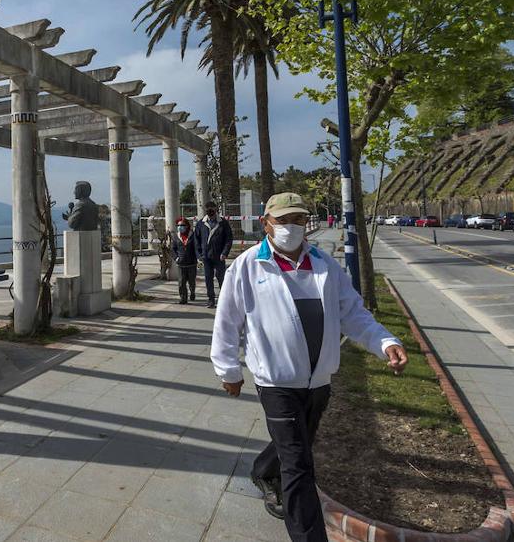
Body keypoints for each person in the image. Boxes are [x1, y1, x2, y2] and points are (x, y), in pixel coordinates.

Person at [210, 192, 408, 542]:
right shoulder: (246, 266)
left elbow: (353, 314)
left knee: (299, 440)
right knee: (299, 464)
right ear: (265, 223)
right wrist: (229, 370)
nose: (291, 227)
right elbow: (227, 323)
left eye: (298, 220)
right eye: (283, 220)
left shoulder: (325, 265)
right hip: (276, 381)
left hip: (319, 380)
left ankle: (263, 470)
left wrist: (385, 342)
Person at [194, 201, 233, 308]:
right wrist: (199, 255)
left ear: (216, 209)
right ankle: (211, 299)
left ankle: (225, 299)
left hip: (219, 256)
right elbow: (196, 240)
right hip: (206, 257)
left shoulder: (223, 223)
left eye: (212, 208)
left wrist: (225, 253)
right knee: (208, 278)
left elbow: (228, 239)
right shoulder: (201, 223)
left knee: (221, 278)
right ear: (205, 210)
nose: (210, 210)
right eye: (208, 208)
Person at [170, 217, 198, 304]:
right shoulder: (176, 237)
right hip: (181, 264)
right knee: (181, 283)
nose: (180, 227)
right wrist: (176, 258)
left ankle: (192, 292)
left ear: (187, 226)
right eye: (178, 225)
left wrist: (199, 259)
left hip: (191, 264)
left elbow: (196, 248)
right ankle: (183, 298)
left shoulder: (192, 236)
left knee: (191, 282)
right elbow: (173, 249)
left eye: (182, 225)